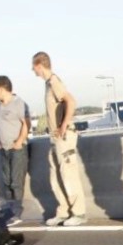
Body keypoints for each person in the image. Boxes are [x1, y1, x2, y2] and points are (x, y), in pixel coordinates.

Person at [32, 52, 87, 226]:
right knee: (56, 175)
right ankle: (63, 211)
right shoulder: (48, 84)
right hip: (55, 138)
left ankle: (79, 212)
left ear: (40, 65)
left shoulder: (55, 82)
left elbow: (71, 101)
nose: (33, 70)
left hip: (64, 137)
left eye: (34, 67)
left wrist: (64, 125)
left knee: (68, 173)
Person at [0, 75, 29, 225]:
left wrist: (19, 141)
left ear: (2, 88)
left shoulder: (18, 104)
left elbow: (26, 124)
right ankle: (9, 212)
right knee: (6, 182)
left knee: (16, 182)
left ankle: (17, 213)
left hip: (17, 149)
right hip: (4, 149)